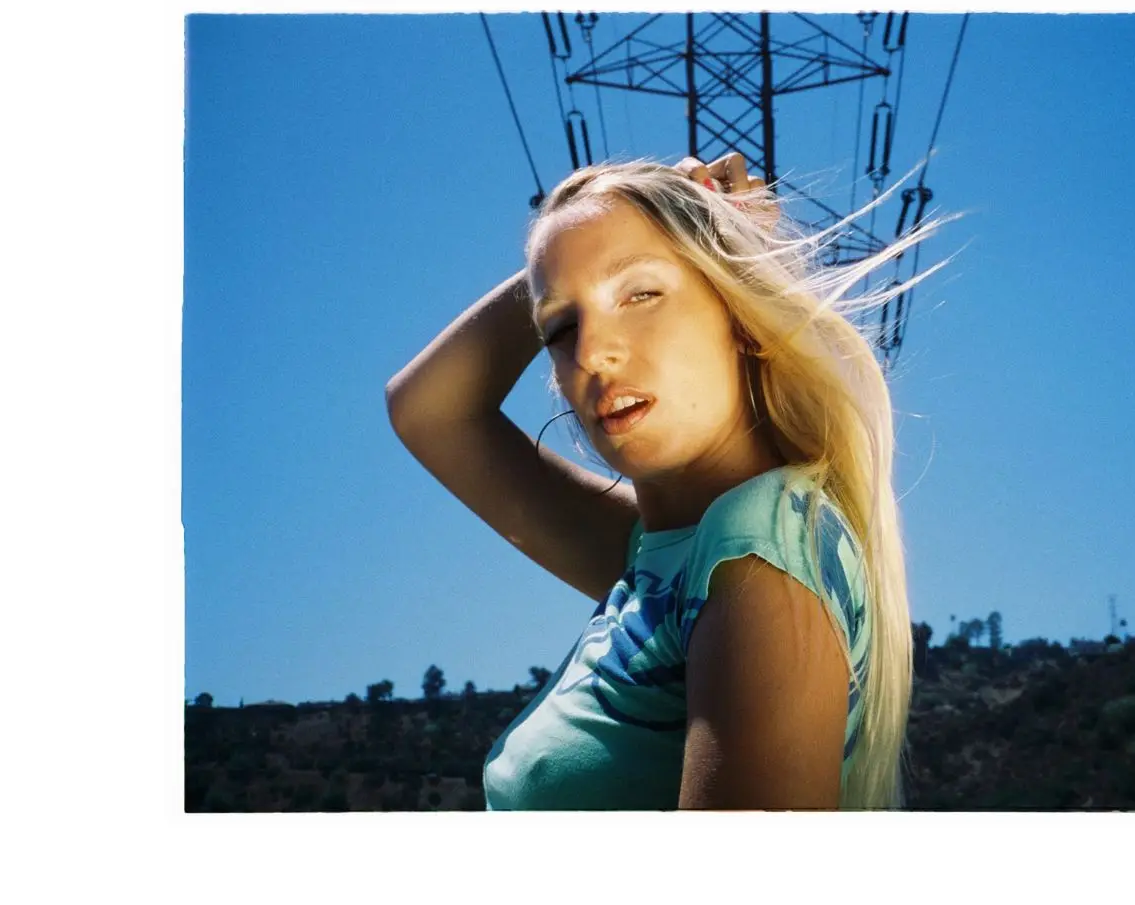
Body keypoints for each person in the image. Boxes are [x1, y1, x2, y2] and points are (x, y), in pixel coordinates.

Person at [385, 151, 950, 809]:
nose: (594, 351)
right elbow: (426, 411)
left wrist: (619, 228)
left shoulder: (755, 550)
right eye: (562, 327)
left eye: (641, 294)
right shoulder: (668, 553)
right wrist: (574, 244)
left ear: (741, 318)